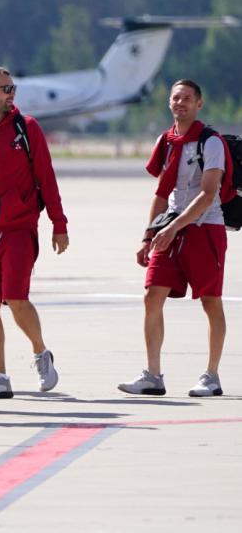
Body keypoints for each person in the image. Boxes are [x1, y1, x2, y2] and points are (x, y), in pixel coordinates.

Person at [0, 65, 68, 399]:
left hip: (20, 228)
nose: (12, 94)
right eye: (6, 89)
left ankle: (40, 353)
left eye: (13, 88)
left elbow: (46, 177)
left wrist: (59, 224)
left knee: (17, 299)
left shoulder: (26, 128)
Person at [119, 79, 232, 397]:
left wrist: (174, 228)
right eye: (175, 98)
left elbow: (208, 194)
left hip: (204, 229)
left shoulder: (210, 143)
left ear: (199, 104)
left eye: (187, 98)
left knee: (210, 301)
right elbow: (161, 192)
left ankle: (212, 375)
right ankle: (153, 375)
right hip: (170, 227)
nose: (180, 103)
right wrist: (148, 235)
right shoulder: (166, 142)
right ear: (169, 103)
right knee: (152, 296)